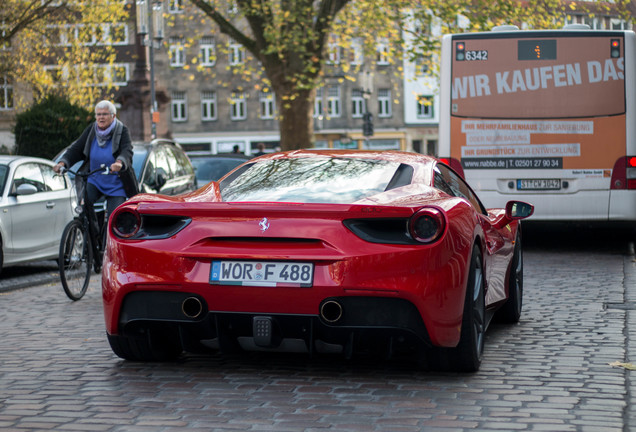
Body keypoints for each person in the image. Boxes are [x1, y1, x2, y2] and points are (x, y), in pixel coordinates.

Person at [54, 100, 137, 243]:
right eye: (98, 114)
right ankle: (93, 235)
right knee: (85, 204)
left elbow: (127, 150)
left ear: (113, 115)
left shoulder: (122, 131)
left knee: (114, 221)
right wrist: (63, 162)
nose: (101, 117)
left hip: (116, 184)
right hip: (95, 179)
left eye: (105, 114)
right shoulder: (92, 130)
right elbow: (76, 148)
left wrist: (119, 162)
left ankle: (109, 245)